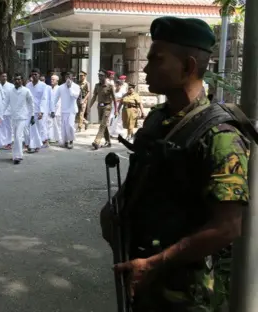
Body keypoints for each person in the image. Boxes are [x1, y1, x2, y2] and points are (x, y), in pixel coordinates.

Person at [100, 16, 252, 311]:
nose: (145, 68)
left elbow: (228, 227)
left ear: (188, 67)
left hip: (189, 293)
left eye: (157, 59)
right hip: (144, 276)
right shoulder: (158, 119)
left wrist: (155, 263)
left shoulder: (219, 135)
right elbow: (143, 177)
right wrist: (116, 208)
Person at [5, 74, 34, 164]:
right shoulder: (10, 91)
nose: (17, 81)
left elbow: (31, 103)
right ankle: (16, 155)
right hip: (13, 117)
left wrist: (32, 115)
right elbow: (5, 103)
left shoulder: (26, 91)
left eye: (19, 79)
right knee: (16, 136)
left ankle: (18, 156)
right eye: (15, 79)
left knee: (18, 136)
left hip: (22, 117)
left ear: (22, 80)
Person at [88, 71, 117, 150]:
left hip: (107, 106)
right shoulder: (97, 86)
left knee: (102, 124)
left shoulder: (110, 86)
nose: (100, 77)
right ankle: (108, 141)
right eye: (99, 76)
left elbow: (114, 99)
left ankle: (97, 141)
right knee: (103, 124)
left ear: (105, 77)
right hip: (99, 107)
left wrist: (116, 110)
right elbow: (94, 97)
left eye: (101, 76)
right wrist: (89, 107)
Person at [51, 72, 81, 149]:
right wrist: (52, 109)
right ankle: (66, 141)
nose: (68, 79)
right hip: (63, 110)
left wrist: (69, 87)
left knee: (70, 126)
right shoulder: (60, 87)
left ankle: (71, 141)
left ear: (72, 78)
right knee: (64, 127)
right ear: (65, 78)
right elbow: (55, 99)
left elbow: (75, 96)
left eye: (69, 77)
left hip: (72, 110)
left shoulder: (76, 86)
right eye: (66, 77)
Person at [25, 68, 48, 152]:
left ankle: (35, 145)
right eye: (33, 74)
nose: (34, 76)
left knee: (37, 128)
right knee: (28, 127)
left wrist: (41, 112)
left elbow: (44, 99)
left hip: (38, 111)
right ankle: (31, 144)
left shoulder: (43, 86)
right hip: (29, 110)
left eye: (36, 74)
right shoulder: (28, 85)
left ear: (39, 75)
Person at [0, 72, 14, 150]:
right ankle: (2, 142)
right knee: (1, 127)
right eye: (3, 76)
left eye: (5, 76)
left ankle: (9, 142)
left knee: (9, 127)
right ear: (0, 77)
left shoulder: (11, 86)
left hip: (9, 110)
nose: (4, 77)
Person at [49, 74, 62, 144]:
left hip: (58, 109)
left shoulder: (59, 88)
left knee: (58, 125)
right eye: (51, 79)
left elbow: (58, 101)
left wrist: (54, 110)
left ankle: (60, 139)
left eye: (53, 79)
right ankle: (54, 138)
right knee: (53, 124)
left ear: (57, 81)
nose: (51, 81)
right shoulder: (50, 88)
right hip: (52, 109)